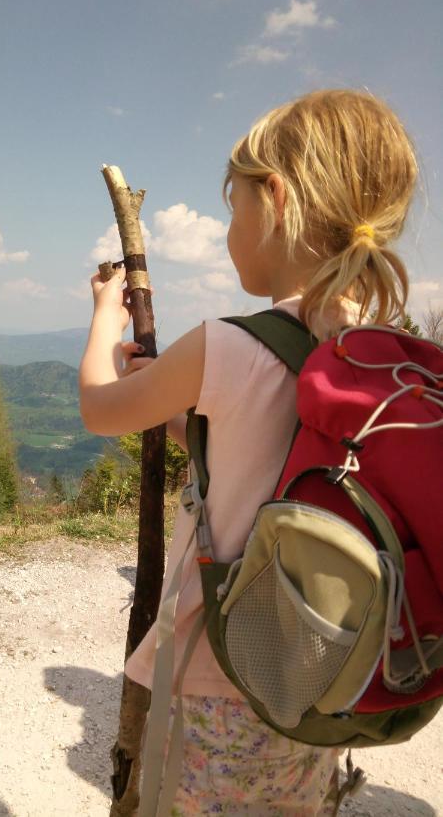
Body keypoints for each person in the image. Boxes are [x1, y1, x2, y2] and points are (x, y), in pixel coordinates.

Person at [79, 89, 418, 815]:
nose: (228, 228)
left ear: (276, 198)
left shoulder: (227, 344)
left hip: (224, 672)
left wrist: (106, 315)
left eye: (231, 207)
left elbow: (98, 410)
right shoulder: (368, 351)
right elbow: (263, 457)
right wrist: (183, 411)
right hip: (319, 671)